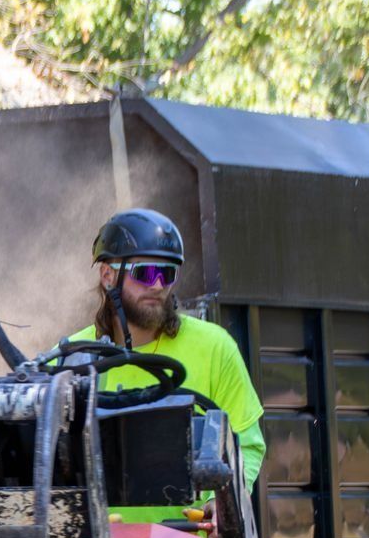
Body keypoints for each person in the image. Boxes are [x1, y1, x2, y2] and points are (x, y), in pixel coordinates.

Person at [65, 208, 266, 492]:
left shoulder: (215, 347)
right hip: (102, 523)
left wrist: (219, 504)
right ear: (108, 276)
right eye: (145, 273)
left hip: (189, 522)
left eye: (167, 273)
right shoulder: (72, 359)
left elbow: (248, 445)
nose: (158, 285)